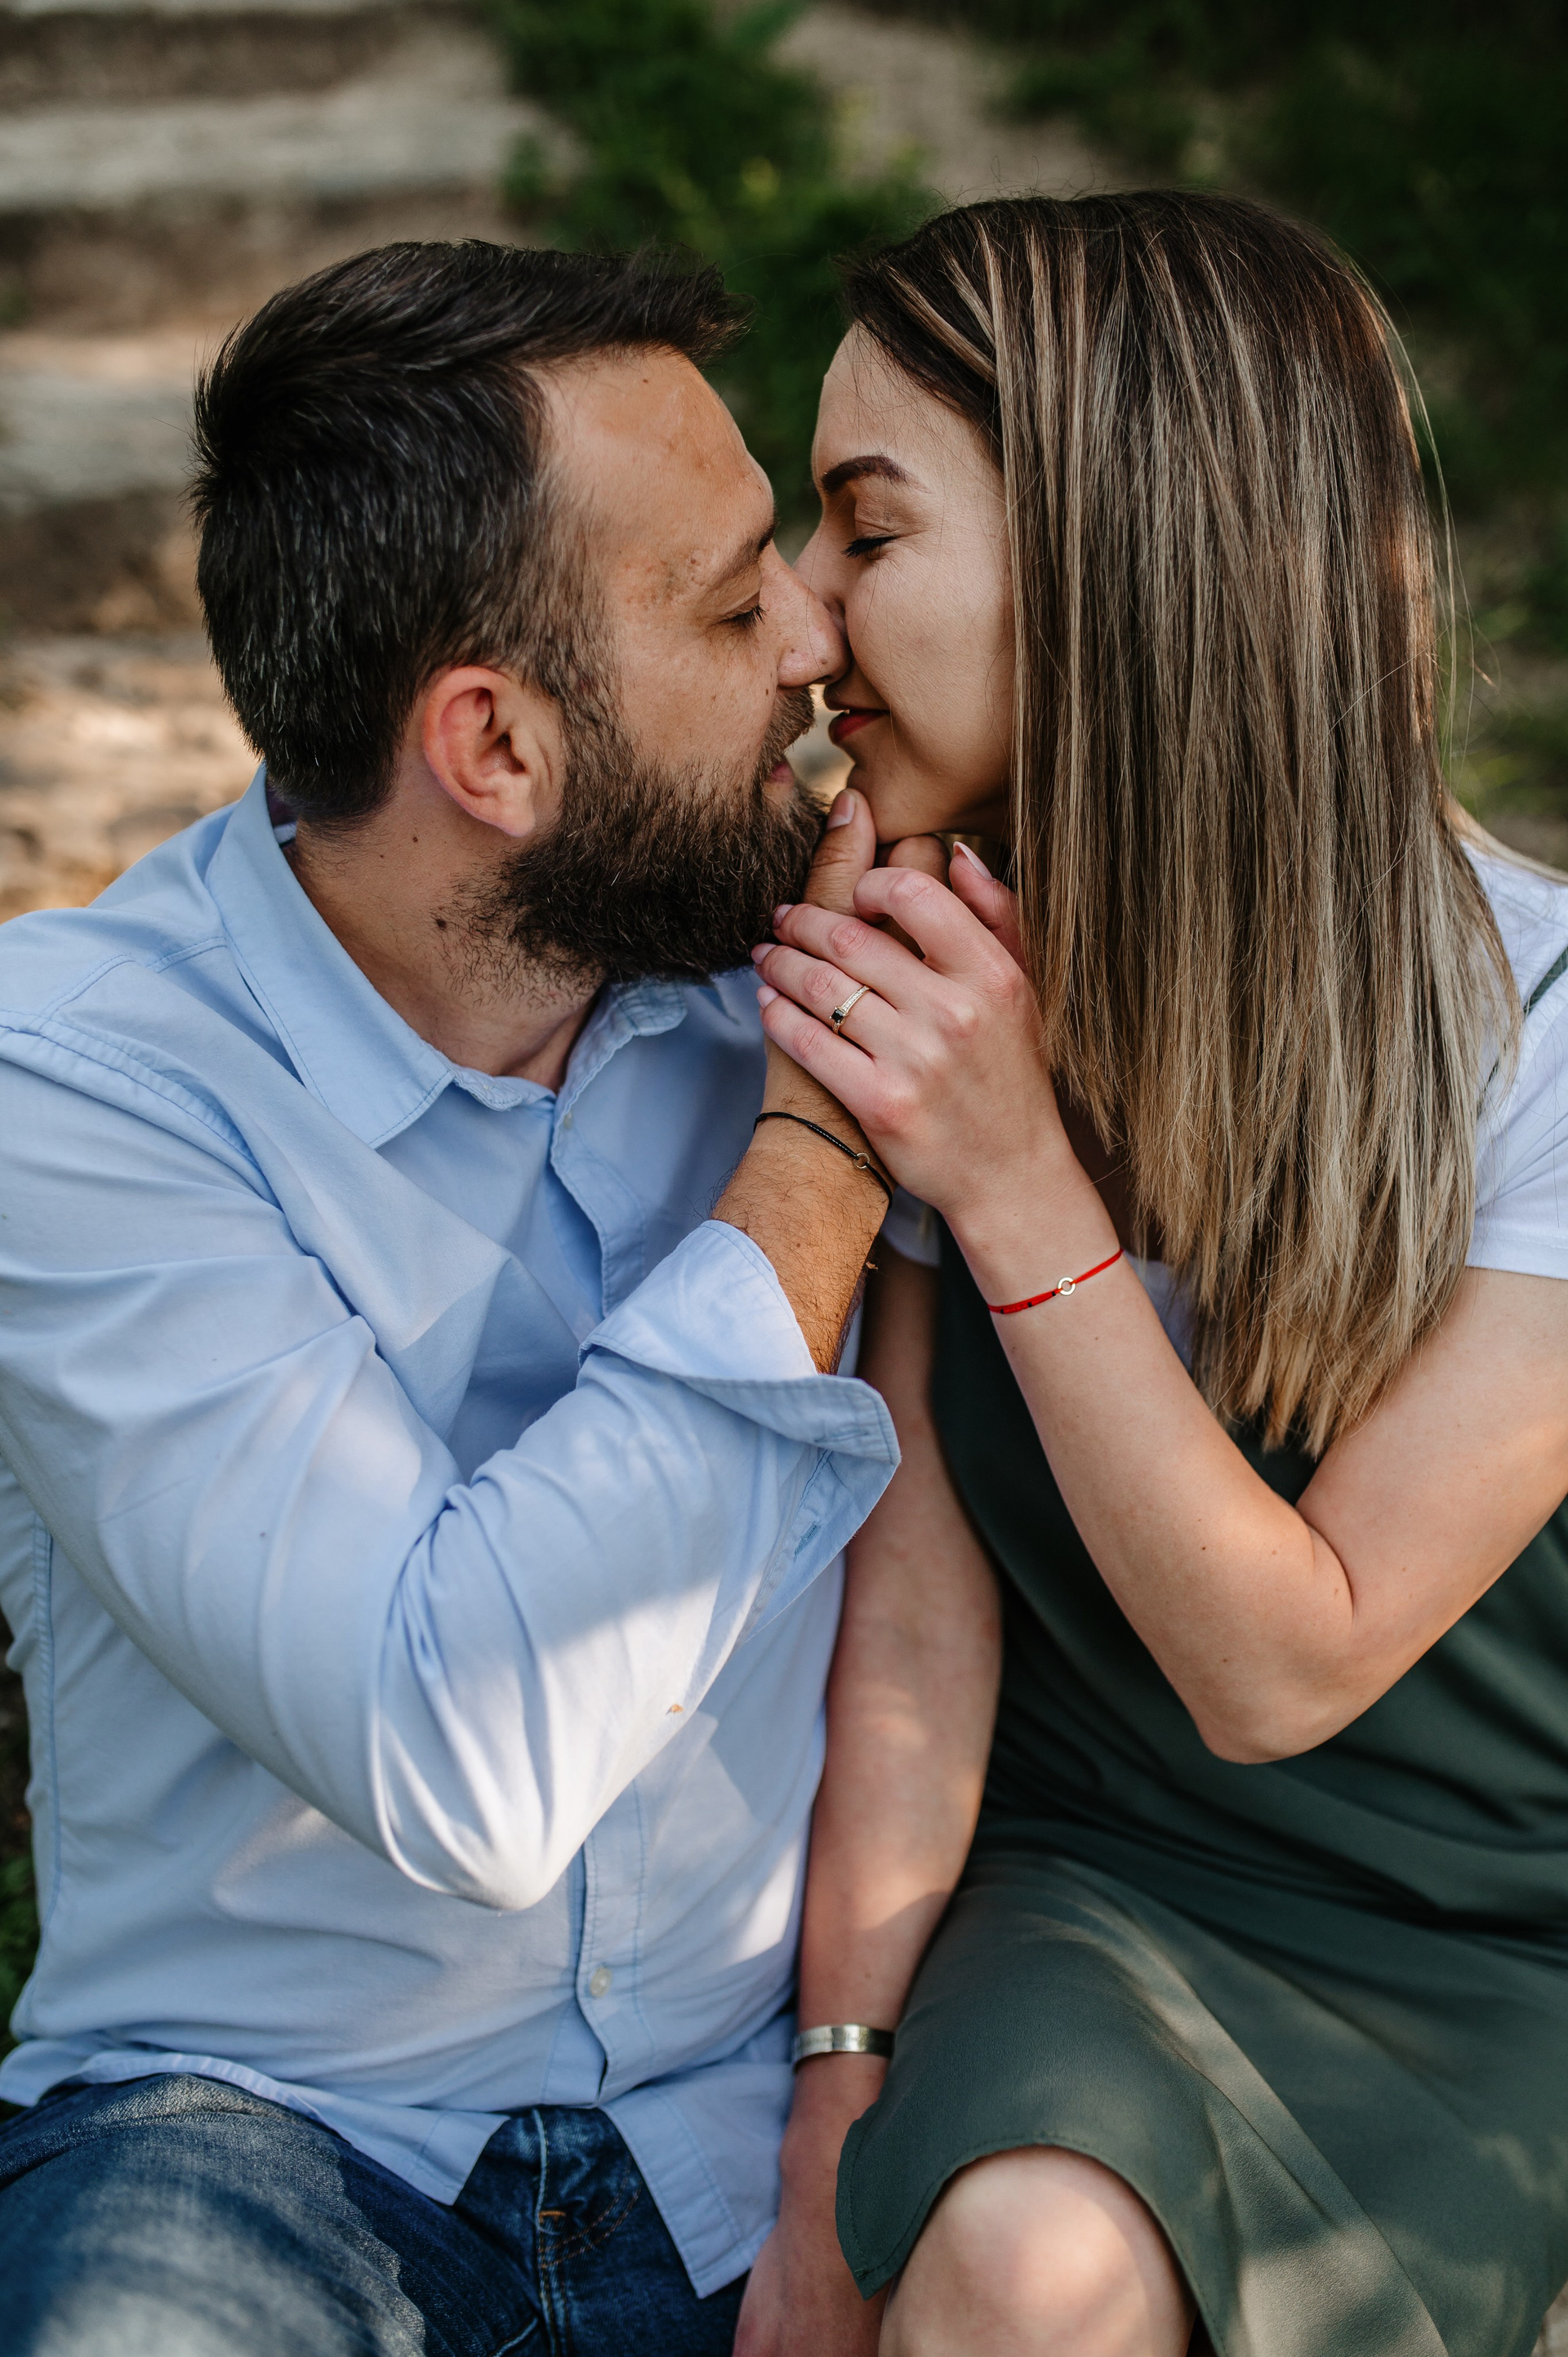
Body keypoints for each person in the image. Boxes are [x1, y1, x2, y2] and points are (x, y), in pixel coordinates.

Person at [0, 239, 907, 2355]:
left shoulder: (800, 941)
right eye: (730, 607)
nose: (814, 642)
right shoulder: (83, 1089)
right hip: (269, 2125)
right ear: (493, 747)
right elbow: (467, 1755)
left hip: (768, 2108)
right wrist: (821, 1155)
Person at [741, 194, 1568, 2357]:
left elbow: (1289, 1669)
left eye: (869, 528)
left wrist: (1023, 1184)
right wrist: (837, 2097)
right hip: (1093, 1885)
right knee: (1024, 2268)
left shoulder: (1549, 1032)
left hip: (1481, 1945)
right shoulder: (956, 962)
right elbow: (920, 1607)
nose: (802, 618)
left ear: (1122, 553)